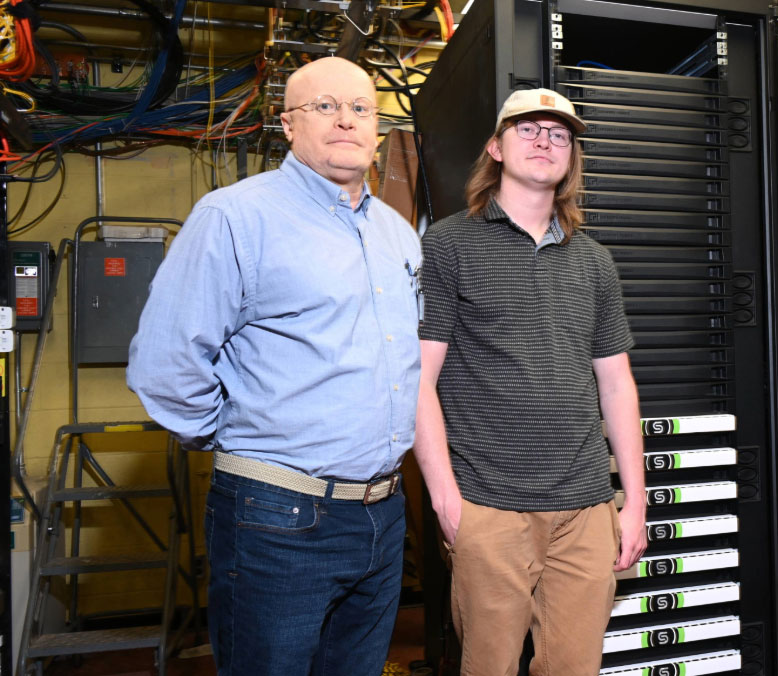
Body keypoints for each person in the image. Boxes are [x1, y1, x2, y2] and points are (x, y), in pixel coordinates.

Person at [127, 56, 421, 676]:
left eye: (361, 108)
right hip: (278, 517)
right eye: (325, 106)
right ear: (287, 124)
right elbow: (166, 364)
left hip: (383, 513)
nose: (346, 120)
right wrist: (238, 439)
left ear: (378, 128)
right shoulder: (235, 217)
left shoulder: (398, 234)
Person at [413, 88, 648, 676]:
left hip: (585, 508)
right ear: (495, 147)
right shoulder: (447, 245)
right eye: (528, 129)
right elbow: (417, 380)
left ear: (571, 159)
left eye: (560, 134)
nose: (545, 140)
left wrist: (635, 502)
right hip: (488, 506)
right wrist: (446, 498)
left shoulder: (593, 260)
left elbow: (617, 384)